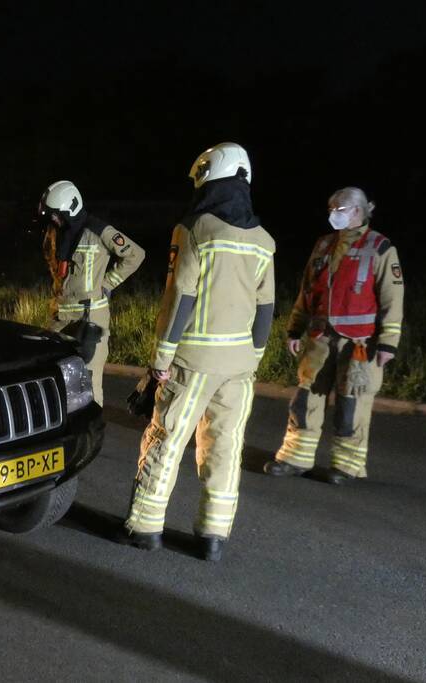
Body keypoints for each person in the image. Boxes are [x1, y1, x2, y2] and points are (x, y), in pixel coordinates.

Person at [121, 142, 275, 562]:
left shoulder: (194, 229)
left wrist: (161, 359)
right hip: (240, 365)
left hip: (193, 360)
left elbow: (180, 297)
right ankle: (212, 537)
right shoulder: (264, 240)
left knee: (166, 440)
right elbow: (266, 309)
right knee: (226, 447)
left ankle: (146, 527)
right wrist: (254, 357)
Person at [264, 187, 403, 485]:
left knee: (351, 403)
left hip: (360, 344)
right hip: (319, 338)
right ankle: (294, 458)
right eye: (331, 209)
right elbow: (307, 291)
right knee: (305, 399)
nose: (332, 215)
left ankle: (346, 466)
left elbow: (393, 299)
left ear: (357, 211)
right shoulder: (324, 245)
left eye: (338, 210)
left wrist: (388, 343)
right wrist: (294, 329)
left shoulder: (380, 248)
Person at [40, 180, 145, 406]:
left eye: (56, 215)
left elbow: (135, 255)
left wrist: (107, 283)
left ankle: (91, 434)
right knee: (57, 380)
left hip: (90, 320)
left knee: (87, 384)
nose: (54, 220)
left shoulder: (99, 231)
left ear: (70, 209)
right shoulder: (56, 234)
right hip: (61, 317)